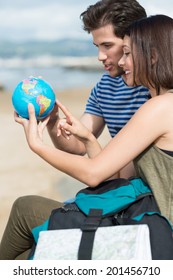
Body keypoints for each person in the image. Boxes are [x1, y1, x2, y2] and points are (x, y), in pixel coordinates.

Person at [0, 0, 149, 260]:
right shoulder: (105, 87)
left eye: (108, 46)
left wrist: (38, 146)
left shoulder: (154, 94)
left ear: (134, 41)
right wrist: (53, 116)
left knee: (25, 212)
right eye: (96, 47)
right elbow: (78, 146)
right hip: (117, 193)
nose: (100, 57)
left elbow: (106, 171)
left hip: (134, 204)